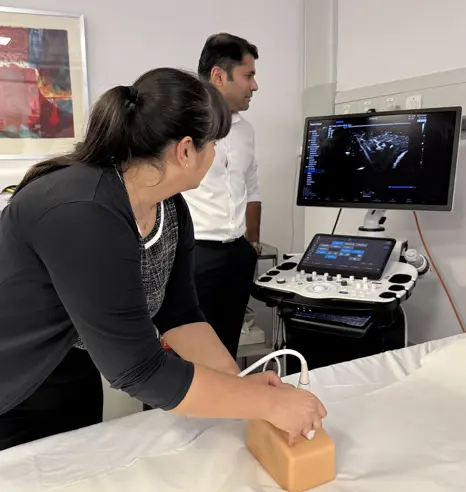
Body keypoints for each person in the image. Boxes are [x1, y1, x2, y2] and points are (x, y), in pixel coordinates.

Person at [0, 67, 326, 451]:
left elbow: (179, 313)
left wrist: (238, 385)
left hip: (71, 367)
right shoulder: (82, 210)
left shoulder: (170, 209)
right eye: (214, 145)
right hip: (14, 382)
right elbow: (138, 368)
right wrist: (266, 403)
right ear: (186, 150)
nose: (216, 156)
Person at [183, 33, 262, 359]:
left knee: (227, 349)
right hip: (194, 256)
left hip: (237, 255)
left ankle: (226, 394)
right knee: (189, 355)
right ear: (218, 76)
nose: (254, 85)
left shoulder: (245, 131)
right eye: (248, 75)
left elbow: (251, 186)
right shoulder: (182, 126)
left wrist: (252, 244)